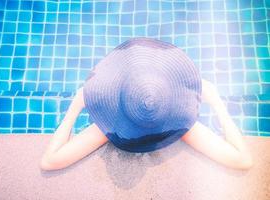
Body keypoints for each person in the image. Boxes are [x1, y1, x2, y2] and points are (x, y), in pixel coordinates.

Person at [40, 38, 253, 171]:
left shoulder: (109, 129)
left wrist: (75, 107)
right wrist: (216, 101)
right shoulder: (183, 127)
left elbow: (49, 161)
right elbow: (243, 160)